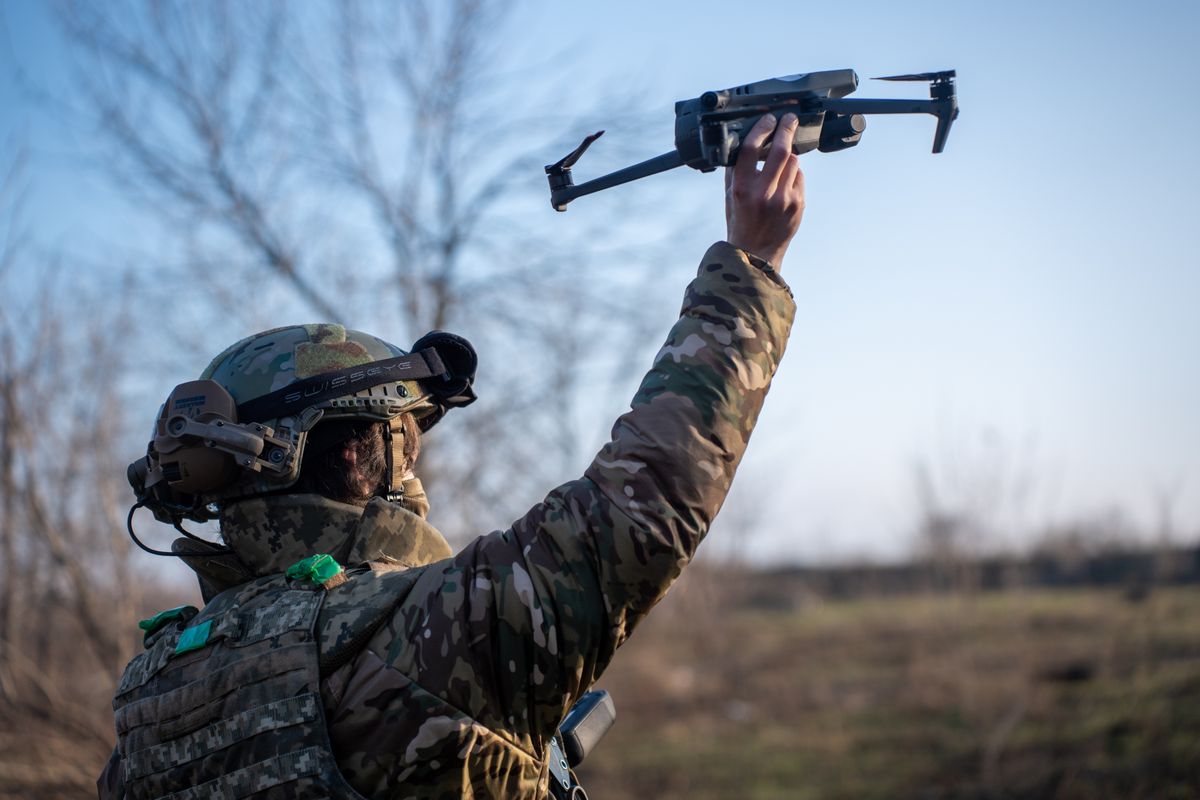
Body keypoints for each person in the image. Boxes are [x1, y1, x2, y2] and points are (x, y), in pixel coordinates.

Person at [98, 112, 805, 799]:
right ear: (353, 457)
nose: (413, 468)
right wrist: (752, 263)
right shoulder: (424, 633)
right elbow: (642, 501)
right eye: (403, 439)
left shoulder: (151, 700)